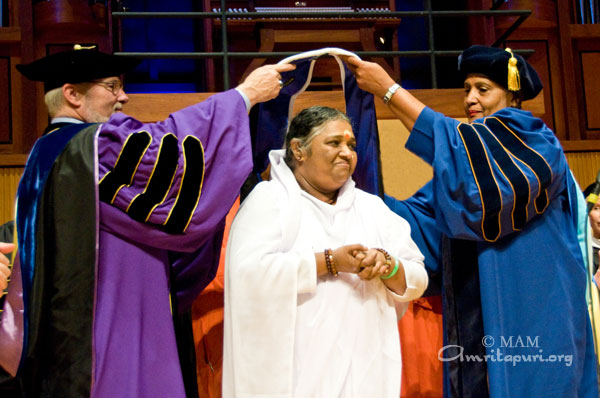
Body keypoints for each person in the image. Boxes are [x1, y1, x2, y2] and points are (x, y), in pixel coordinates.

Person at [0, 46, 294, 397]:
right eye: (111, 86)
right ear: (72, 94)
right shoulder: (92, 146)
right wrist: (244, 96)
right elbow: (168, 152)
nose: (123, 97)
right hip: (112, 319)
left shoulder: (44, 152)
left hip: (73, 324)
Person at [345, 46, 599, 397]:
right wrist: (355, 197)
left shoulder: (536, 142)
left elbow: (460, 149)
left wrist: (389, 91)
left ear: (512, 94)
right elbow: (420, 223)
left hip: (536, 312)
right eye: (467, 89)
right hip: (480, 319)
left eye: (483, 88)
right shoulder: (468, 172)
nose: (471, 99)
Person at [222, 106, 428, 397]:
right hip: (292, 374)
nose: (347, 152)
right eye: (334, 143)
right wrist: (329, 261)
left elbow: (417, 277)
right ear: (299, 150)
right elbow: (247, 275)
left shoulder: (371, 207)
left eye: (352, 145)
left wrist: (387, 265)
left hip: (366, 371)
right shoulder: (269, 201)